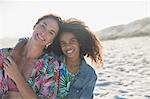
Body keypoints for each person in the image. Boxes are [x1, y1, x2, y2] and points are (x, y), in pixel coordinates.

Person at [0, 13, 62, 99]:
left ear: (51, 41)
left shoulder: (50, 66)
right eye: (43, 25)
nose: (44, 33)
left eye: (51, 32)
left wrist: (17, 76)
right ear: (35, 26)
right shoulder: (3, 54)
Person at [52, 18, 103, 99]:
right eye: (63, 43)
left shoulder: (89, 75)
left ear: (80, 42)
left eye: (72, 41)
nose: (68, 46)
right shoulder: (52, 61)